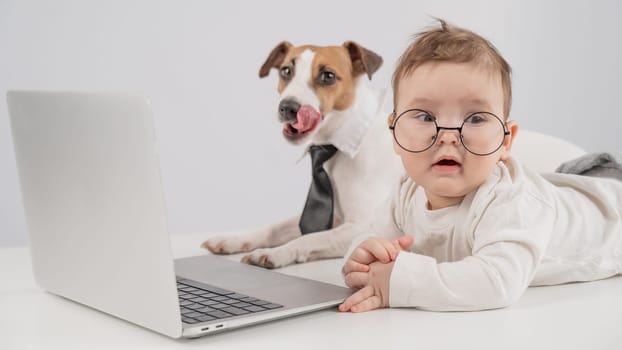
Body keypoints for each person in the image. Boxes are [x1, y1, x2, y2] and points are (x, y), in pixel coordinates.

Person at [339, 19, 622, 313]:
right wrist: (361, 259)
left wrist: (399, 283)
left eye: (475, 118)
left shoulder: (507, 200)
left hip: (612, 217)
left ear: (505, 141)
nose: (448, 136)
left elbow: (497, 281)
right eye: (424, 117)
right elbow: (371, 237)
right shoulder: (406, 192)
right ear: (394, 133)